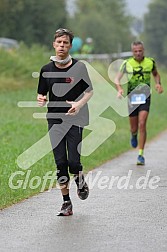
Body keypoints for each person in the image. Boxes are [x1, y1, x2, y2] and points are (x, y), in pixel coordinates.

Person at [37, 28, 93, 216]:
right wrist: (41, 99)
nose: (62, 46)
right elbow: (41, 93)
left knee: (73, 162)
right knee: (60, 163)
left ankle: (79, 178)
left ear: (70, 46)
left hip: (75, 118)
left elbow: (89, 91)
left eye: (65, 43)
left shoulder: (79, 67)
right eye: (59, 42)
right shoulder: (46, 70)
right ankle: (66, 202)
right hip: (55, 119)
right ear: (54, 44)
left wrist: (78, 104)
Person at [115, 41, 163, 165]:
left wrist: (158, 84)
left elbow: (156, 74)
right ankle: (133, 134)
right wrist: (119, 89)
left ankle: (140, 154)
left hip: (145, 96)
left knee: (142, 124)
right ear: (132, 52)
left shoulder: (150, 62)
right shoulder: (127, 63)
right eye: (135, 51)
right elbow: (117, 78)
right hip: (132, 97)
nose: (138, 53)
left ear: (143, 50)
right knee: (134, 127)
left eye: (140, 51)